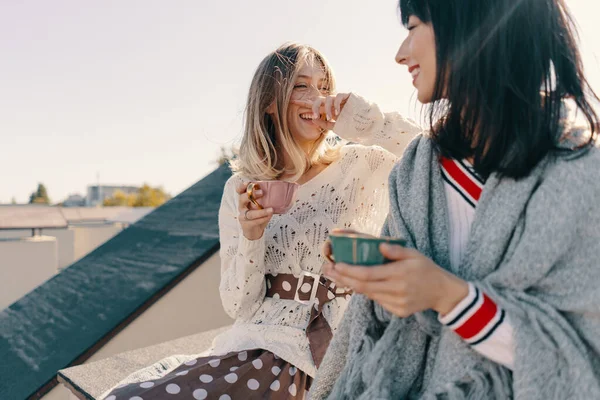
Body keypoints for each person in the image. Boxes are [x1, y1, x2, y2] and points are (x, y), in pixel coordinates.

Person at [310, 1, 600, 399]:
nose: (400, 54)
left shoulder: (580, 176)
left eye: (413, 27)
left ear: (469, 23)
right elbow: (363, 332)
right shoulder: (417, 170)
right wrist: (378, 275)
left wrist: (449, 296)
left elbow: (583, 358)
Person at [102, 42, 421, 400]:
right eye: (301, 86)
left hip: (340, 348)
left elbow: (437, 154)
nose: (316, 96)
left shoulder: (364, 164)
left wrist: (364, 121)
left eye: (324, 86)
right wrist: (251, 236)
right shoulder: (241, 187)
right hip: (259, 347)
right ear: (270, 102)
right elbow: (239, 306)